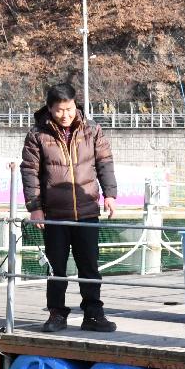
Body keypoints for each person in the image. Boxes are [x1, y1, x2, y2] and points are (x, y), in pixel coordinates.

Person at [20, 82, 118, 333]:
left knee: (89, 266)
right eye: (59, 110)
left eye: (70, 109)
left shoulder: (93, 130)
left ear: (76, 105)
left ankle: (94, 313)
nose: (65, 115)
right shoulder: (37, 135)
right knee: (56, 267)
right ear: (50, 108)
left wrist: (110, 194)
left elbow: (104, 162)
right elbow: (30, 172)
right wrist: (35, 207)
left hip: (87, 211)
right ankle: (56, 313)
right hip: (54, 213)